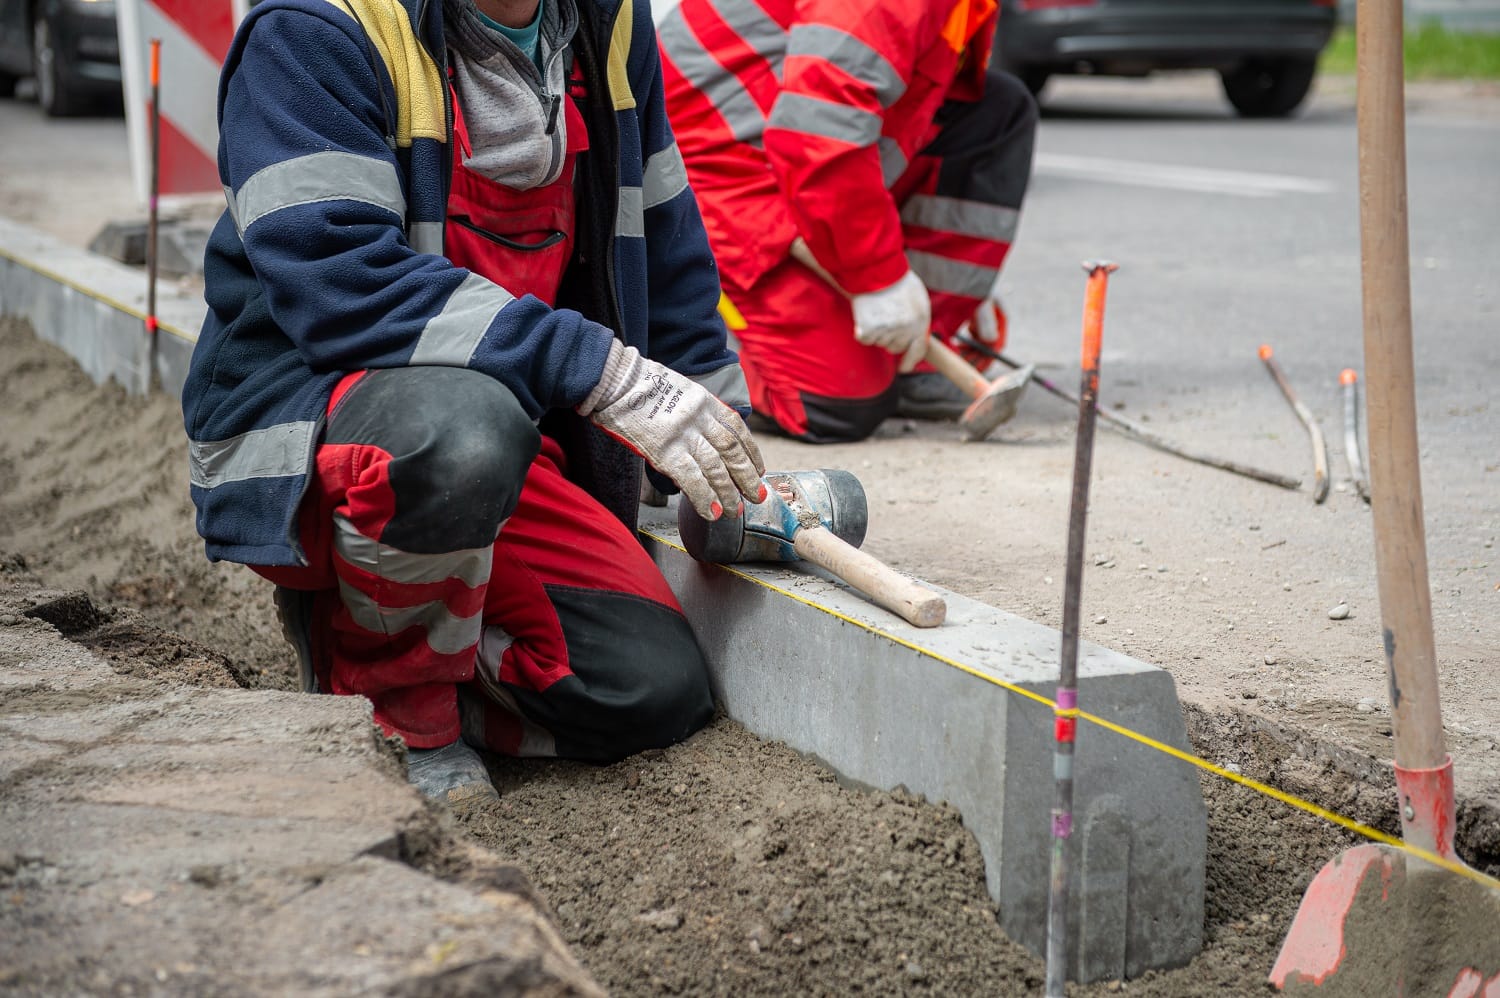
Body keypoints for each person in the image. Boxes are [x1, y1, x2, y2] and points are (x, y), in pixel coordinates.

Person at [182, 0, 766, 805]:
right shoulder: (317, 30)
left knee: (652, 692)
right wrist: (600, 371)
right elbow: (340, 282)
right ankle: (393, 703)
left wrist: (725, 443)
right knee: (463, 434)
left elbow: (660, 234)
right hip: (321, 430)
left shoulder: (608, 25)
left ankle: (415, 638)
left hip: (503, 442)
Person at [658, 0, 1038, 442]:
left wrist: (936, 264)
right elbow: (820, 131)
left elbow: (901, 98)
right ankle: (685, 343)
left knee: (995, 110)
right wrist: (877, 276)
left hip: (780, 143)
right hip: (709, 165)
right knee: (834, 404)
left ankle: (911, 353)